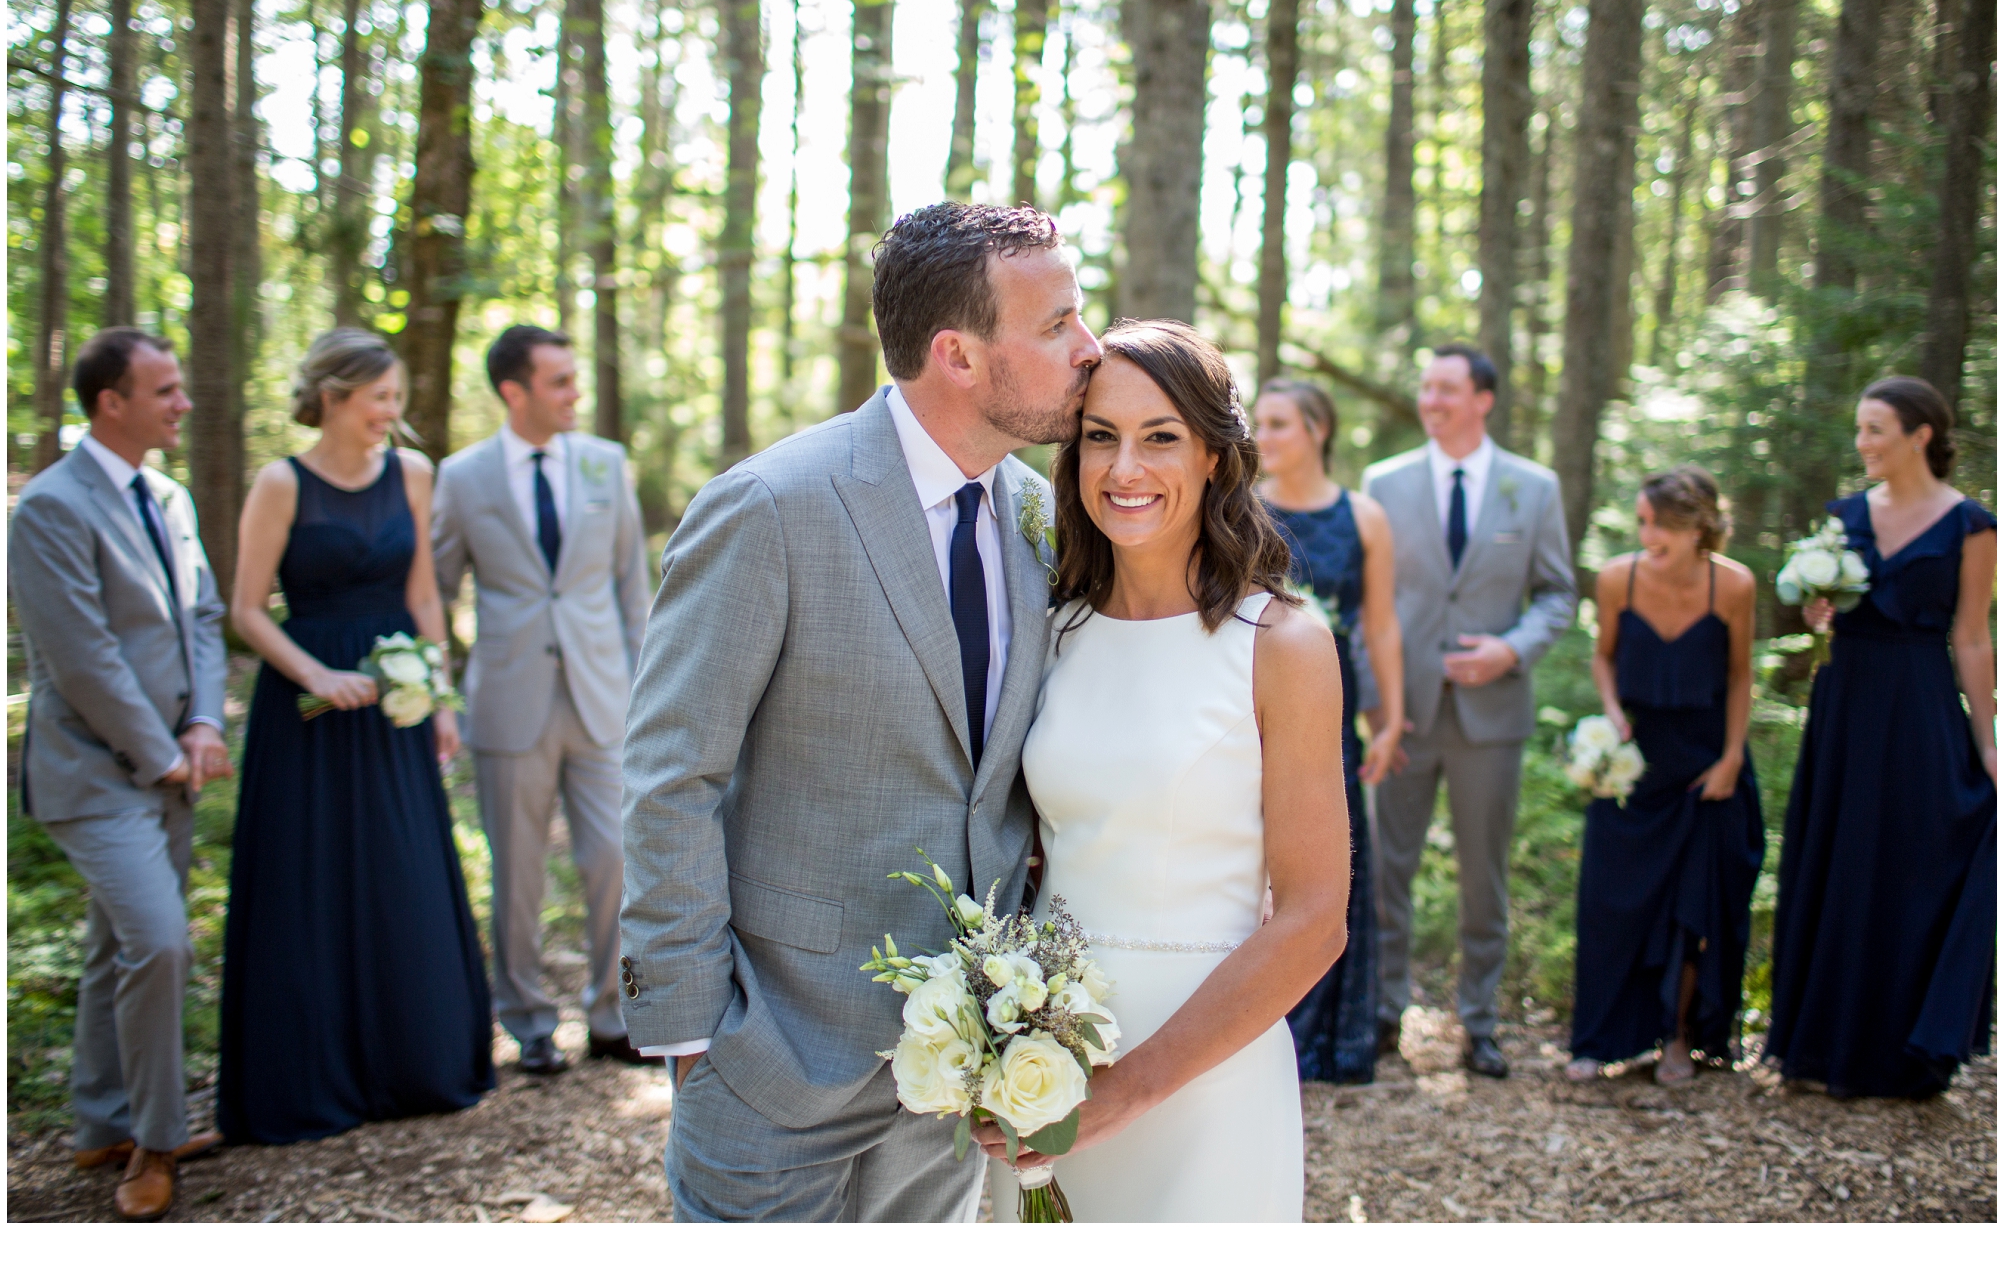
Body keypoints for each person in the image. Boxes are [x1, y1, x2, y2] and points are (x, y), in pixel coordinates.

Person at [621, 203, 1101, 1222]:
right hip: (772, 1063)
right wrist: (693, 1030)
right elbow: (674, 769)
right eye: (1057, 323)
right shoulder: (771, 507)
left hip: (952, 1080)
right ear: (958, 355)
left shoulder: (1039, 518)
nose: (1088, 349)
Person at [985, 319, 1348, 1222]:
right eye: (1099, 437)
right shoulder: (1048, 631)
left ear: (1216, 459)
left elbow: (1312, 921)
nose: (1123, 469)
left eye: (1160, 438)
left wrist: (1128, 1089)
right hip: (1044, 1061)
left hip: (1204, 1074)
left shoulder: (1280, 645)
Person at [217, 329, 494, 1143]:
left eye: (397, 400)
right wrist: (315, 676)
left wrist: (438, 699)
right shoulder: (280, 483)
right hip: (305, 713)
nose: (391, 415)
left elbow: (422, 599)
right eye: (379, 399)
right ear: (334, 396)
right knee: (308, 882)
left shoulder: (413, 474)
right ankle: (310, 1077)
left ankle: (415, 1066)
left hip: (393, 706)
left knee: (398, 873)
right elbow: (244, 608)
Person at [10, 328, 232, 1220]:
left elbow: (206, 616)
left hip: (171, 763)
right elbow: (82, 658)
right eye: (166, 390)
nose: (182, 403)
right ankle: (156, 1137)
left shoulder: (169, 495)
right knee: (161, 939)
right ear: (112, 401)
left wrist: (208, 719)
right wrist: (165, 751)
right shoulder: (48, 508)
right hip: (94, 768)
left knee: (117, 950)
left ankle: (98, 1121)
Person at [1766, 377, 1997, 1099]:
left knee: (1909, 863)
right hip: (1844, 706)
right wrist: (1818, 617)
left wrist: (1987, 745)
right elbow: (1822, 619)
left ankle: (1903, 1050)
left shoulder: (1969, 526)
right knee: (1839, 859)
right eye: (1858, 430)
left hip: (1917, 705)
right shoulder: (1843, 516)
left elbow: (1970, 639)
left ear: (1920, 434)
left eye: (1874, 429)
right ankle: (1818, 1046)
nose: (1861, 444)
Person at [432, 326, 650, 1075]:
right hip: (508, 699)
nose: (574, 394)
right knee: (516, 869)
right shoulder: (461, 479)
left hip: (601, 697)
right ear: (513, 391)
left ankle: (611, 1014)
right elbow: (432, 590)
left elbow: (630, 588)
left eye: (574, 378)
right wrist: (438, 683)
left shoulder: (605, 464)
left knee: (614, 859)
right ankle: (525, 1022)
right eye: (558, 381)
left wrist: (643, 686)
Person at [1363, 344, 1576, 1078]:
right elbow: (1368, 603)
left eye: (1447, 389)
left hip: (1492, 712)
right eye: (1424, 388)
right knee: (1389, 869)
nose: (1432, 400)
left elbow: (1557, 594)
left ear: (1482, 399)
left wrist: (1510, 649)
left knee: (1483, 876)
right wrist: (1373, 701)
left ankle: (1477, 1021)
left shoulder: (1533, 487)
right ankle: (1385, 1010)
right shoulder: (1382, 484)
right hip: (1404, 712)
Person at [1568, 466, 1764, 1086]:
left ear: (1698, 526)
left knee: (1693, 907)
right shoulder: (1616, 579)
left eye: (1661, 525)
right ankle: (1598, 1040)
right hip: (1633, 764)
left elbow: (1739, 675)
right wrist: (1611, 713)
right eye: (1642, 522)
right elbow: (1603, 657)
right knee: (1610, 901)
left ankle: (1679, 1038)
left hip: (1706, 765)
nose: (1647, 534)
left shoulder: (1734, 587)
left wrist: (1732, 756)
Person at [1253, 377, 1406, 1085]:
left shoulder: (1364, 516)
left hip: (1335, 697)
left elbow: (1378, 625)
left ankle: (1331, 1040)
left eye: (1278, 423)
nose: (1264, 436)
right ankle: (1255, 1026)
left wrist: (1389, 717)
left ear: (1317, 428)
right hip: (1254, 692)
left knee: (1329, 851)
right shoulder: (1243, 508)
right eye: (1259, 423)